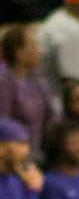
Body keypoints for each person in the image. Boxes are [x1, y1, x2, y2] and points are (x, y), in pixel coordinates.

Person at [0, 24, 59, 158]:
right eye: (33, 45)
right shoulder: (4, 81)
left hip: (38, 154)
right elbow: (3, 124)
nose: (40, 50)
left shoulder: (38, 79)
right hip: (12, 157)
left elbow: (52, 119)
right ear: (19, 52)